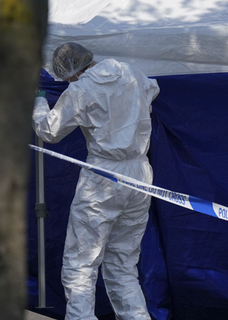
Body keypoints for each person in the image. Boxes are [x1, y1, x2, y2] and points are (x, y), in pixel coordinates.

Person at [32, 43, 160, 320]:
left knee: (81, 265)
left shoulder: (79, 90)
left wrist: (39, 100)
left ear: (70, 73)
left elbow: (49, 131)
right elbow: (153, 90)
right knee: (123, 265)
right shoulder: (130, 72)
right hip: (139, 175)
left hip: (102, 178)